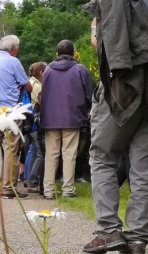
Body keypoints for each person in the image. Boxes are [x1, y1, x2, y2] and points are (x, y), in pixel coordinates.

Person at [81, 0, 148, 254]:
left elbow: (102, 43)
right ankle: (137, 241)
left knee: (102, 157)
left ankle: (109, 230)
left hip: (123, 84)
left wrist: (93, 29)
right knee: (145, 168)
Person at [38, 40, 94, 200]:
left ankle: (48, 189)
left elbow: (44, 93)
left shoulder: (47, 69)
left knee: (51, 153)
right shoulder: (80, 69)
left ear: (57, 53)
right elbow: (88, 94)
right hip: (73, 116)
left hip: (50, 118)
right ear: (73, 53)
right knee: (69, 153)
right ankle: (68, 188)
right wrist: (86, 110)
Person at [0, 35, 32, 198]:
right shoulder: (13, 62)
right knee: (10, 148)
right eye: (17, 48)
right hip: (10, 111)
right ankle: (9, 188)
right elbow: (28, 86)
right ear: (13, 49)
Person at [24, 62, 48, 193]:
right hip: (35, 122)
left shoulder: (29, 82)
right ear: (41, 72)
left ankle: (27, 178)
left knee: (31, 152)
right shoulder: (37, 86)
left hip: (29, 121)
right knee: (39, 153)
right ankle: (32, 180)